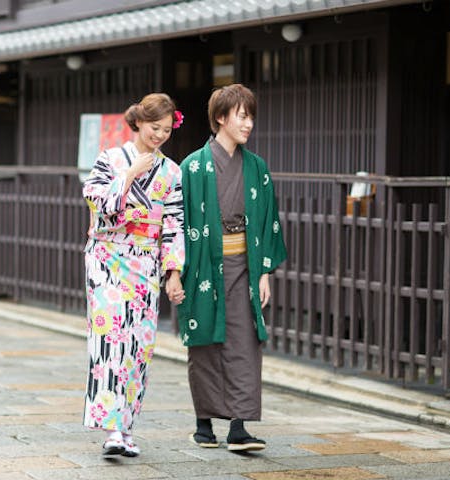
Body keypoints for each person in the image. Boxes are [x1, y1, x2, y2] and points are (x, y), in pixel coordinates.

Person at [178, 84, 286, 452]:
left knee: (245, 341)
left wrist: (265, 271)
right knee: (205, 340)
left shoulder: (257, 168)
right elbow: (176, 225)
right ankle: (203, 422)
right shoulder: (192, 167)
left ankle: (239, 427)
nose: (249, 123)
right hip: (202, 266)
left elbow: (269, 220)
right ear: (221, 118)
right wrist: (174, 271)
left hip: (245, 265)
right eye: (242, 115)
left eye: (251, 115)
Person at [82, 93, 186, 457]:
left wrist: (173, 272)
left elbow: (174, 223)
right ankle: (111, 429)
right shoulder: (110, 159)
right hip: (109, 259)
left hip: (145, 263)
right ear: (138, 123)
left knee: (139, 345)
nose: (159, 135)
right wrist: (127, 176)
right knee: (112, 339)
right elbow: (94, 200)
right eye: (154, 127)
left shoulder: (172, 172)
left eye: (166, 130)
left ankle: (127, 428)